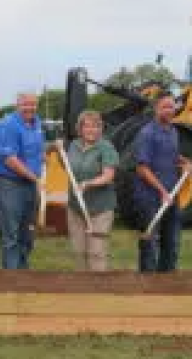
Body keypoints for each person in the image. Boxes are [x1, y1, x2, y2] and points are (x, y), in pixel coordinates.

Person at [134, 93, 192, 273]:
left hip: (171, 196)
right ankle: (148, 283)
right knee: (150, 244)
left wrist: (184, 162)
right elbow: (142, 168)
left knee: (172, 242)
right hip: (150, 198)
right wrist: (161, 191)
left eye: (172, 106)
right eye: (165, 106)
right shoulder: (147, 134)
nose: (169, 110)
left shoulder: (173, 131)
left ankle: (168, 281)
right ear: (156, 108)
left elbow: (172, 156)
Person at [0, 91, 46, 270]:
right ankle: (11, 275)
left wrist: (51, 149)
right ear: (17, 105)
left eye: (32, 104)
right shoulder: (9, 124)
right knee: (11, 232)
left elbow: (38, 151)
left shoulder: (37, 123)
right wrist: (35, 178)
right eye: (25, 104)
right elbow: (10, 160)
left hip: (30, 183)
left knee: (27, 230)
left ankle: (23, 270)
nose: (29, 108)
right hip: (11, 183)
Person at [65, 110, 118, 271]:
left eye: (95, 126)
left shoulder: (106, 147)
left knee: (96, 253)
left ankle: (98, 290)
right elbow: (68, 166)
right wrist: (54, 148)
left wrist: (88, 183)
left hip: (99, 209)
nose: (91, 130)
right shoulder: (73, 145)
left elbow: (108, 176)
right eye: (87, 126)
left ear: (100, 129)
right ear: (80, 129)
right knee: (78, 252)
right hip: (76, 208)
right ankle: (81, 291)